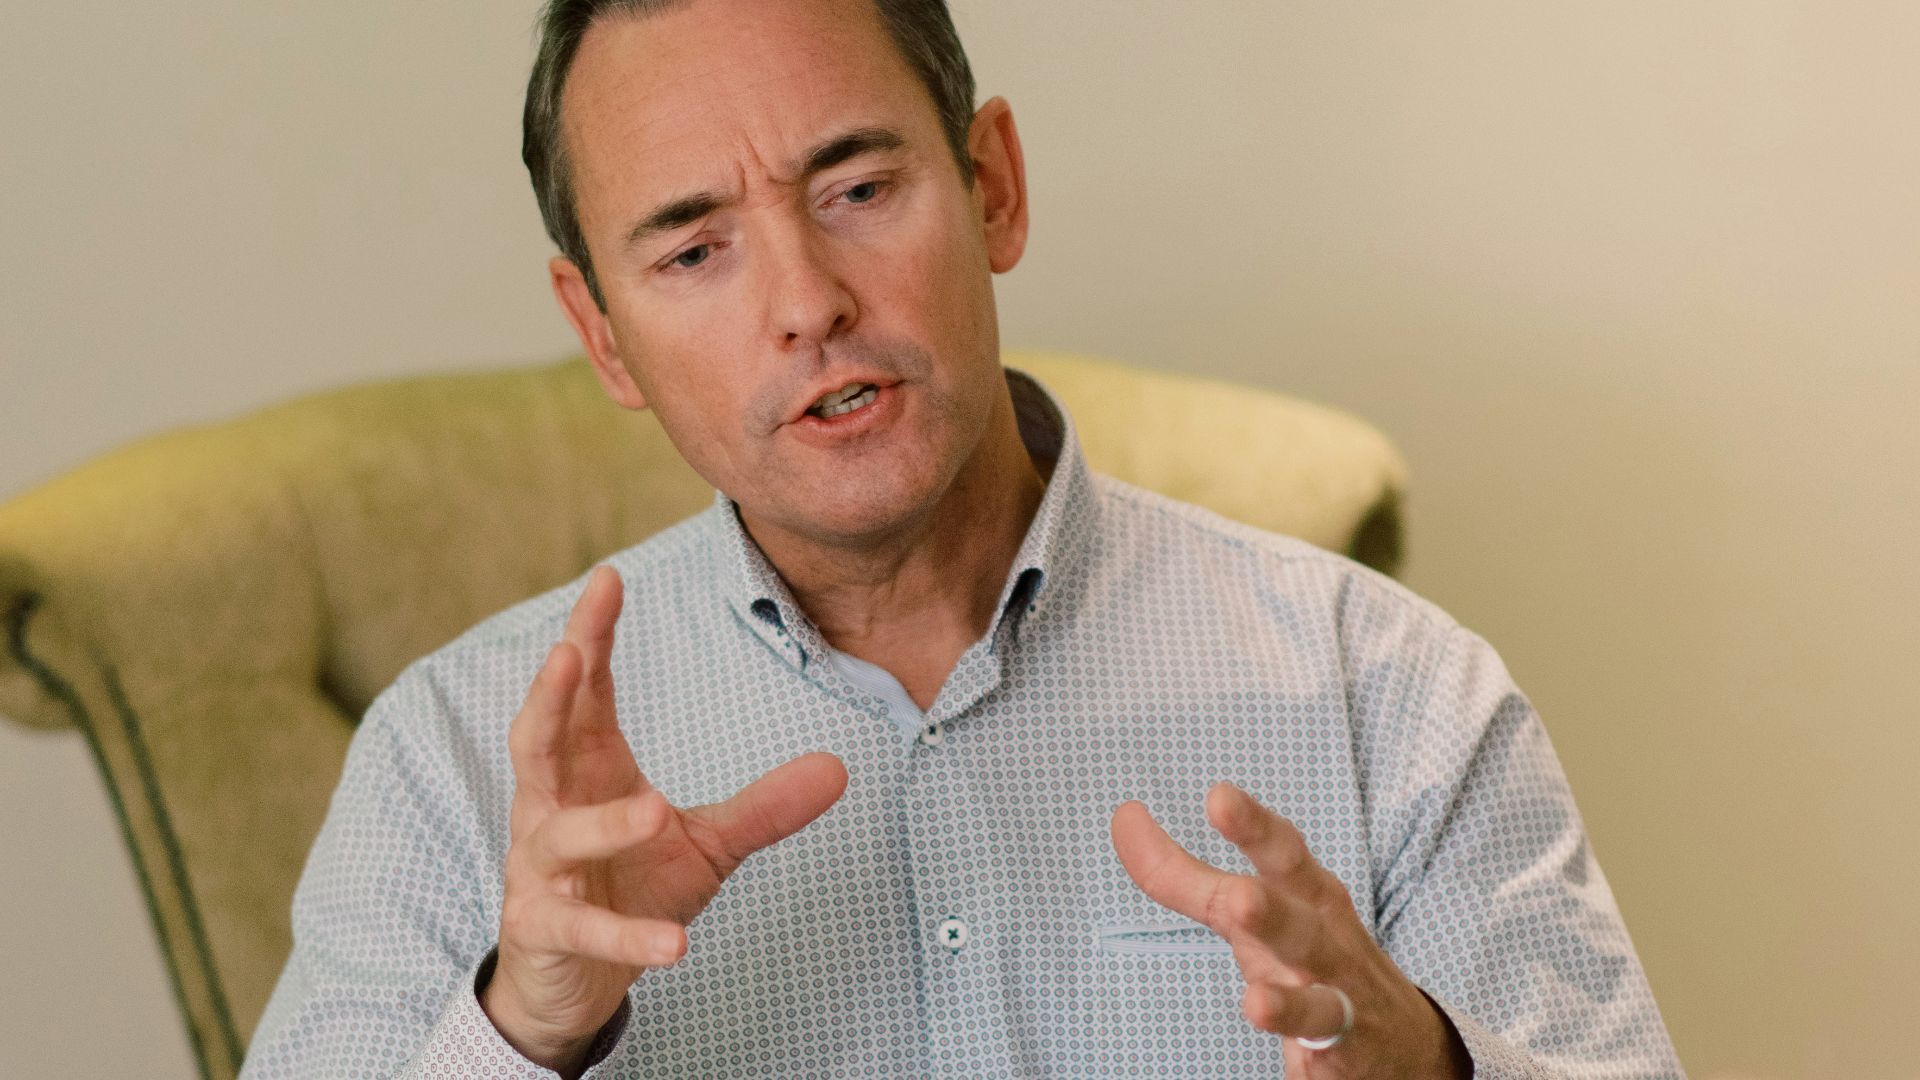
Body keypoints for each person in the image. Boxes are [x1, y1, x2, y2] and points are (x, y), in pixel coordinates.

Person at [243, 0, 1682, 1076]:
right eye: (694, 250)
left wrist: (1434, 1069)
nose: (805, 301)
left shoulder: (1390, 689)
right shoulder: (449, 755)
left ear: (993, 184)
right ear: (600, 334)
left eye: (858, 190)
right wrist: (523, 1031)